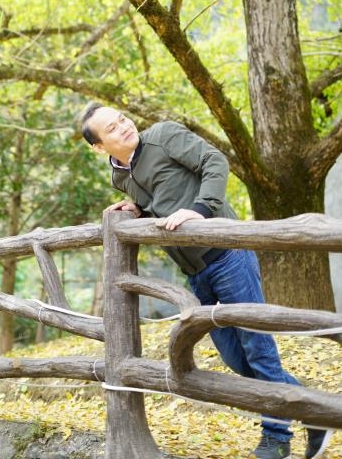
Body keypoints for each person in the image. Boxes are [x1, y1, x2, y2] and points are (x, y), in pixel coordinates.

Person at [80, 102, 333, 459]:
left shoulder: (164, 136)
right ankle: (314, 409)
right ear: (99, 147)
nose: (123, 126)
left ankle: (276, 439)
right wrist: (137, 210)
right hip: (196, 274)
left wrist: (198, 210)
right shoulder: (119, 176)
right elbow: (161, 199)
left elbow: (214, 161)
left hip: (228, 254)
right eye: (111, 128)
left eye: (122, 118)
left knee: (258, 352)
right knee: (236, 360)